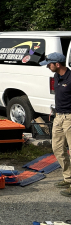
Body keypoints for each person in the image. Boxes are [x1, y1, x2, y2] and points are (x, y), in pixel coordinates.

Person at [40, 52, 71, 196]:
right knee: (57, 148)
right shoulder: (56, 76)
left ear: (57, 64)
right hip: (59, 117)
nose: (47, 66)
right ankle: (68, 178)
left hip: (70, 118)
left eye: (49, 64)